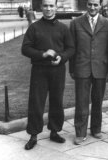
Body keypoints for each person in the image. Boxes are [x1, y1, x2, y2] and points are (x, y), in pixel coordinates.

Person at [21, 0, 74, 150]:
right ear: (41, 7)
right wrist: (43, 54)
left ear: (56, 8)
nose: (48, 9)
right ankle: (33, 135)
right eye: (45, 6)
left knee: (57, 101)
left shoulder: (63, 28)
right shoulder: (34, 27)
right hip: (39, 70)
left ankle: (54, 131)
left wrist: (61, 57)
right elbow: (25, 49)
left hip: (58, 70)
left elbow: (71, 48)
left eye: (51, 6)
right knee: (36, 102)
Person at [69, 0, 108, 145]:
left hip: (101, 68)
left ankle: (96, 129)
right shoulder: (76, 23)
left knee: (98, 101)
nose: (92, 7)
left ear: (100, 6)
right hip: (82, 68)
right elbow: (72, 48)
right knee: (81, 102)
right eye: (90, 4)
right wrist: (72, 69)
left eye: (95, 4)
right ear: (86, 5)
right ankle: (80, 133)